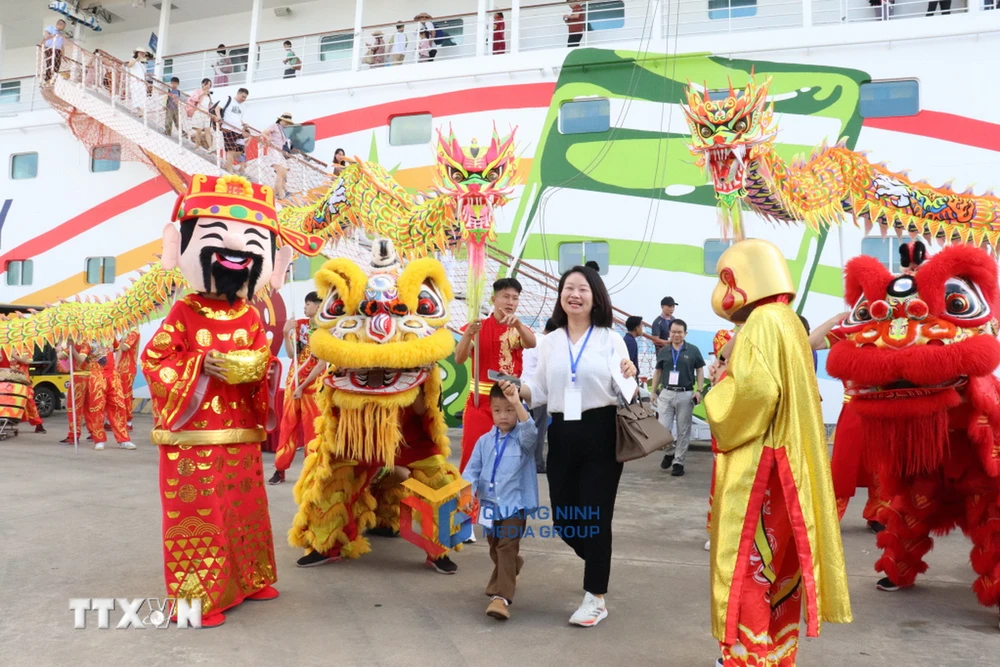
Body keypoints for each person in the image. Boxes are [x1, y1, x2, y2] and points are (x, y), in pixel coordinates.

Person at [140, 173, 317, 627]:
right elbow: (156, 360)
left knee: (243, 509)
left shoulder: (248, 313)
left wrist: (252, 367)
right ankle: (197, 599)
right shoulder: (184, 311)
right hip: (192, 438)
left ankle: (249, 578)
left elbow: (264, 356)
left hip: (238, 432)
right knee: (198, 516)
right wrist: (202, 364)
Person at [704, 239, 851, 666]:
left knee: (748, 572)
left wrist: (718, 396)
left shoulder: (761, 324)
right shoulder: (787, 320)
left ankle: (748, 658)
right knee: (780, 572)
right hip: (791, 466)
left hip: (761, 472)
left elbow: (756, 393)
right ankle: (776, 654)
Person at [511, 265, 641, 628]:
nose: (575, 295)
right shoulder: (549, 341)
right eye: (569, 288)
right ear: (561, 296)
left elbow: (626, 392)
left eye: (582, 289)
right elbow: (537, 390)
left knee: (597, 518)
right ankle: (599, 558)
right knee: (566, 520)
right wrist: (514, 389)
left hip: (601, 432)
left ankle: (595, 596)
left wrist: (630, 376)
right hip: (562, 434)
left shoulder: (609, 338)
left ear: (595, 296)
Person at [462, 381, 537, 620]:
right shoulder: (484, 441)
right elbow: (471, 471)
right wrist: (466, 494)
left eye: (509, 410)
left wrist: (517, 400)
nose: (503, 416)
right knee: (496, 549)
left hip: (515, 506)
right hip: (490, 507)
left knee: (505, 547)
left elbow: (531, 432)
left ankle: (500, 598)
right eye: (497, 410)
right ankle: (513, 565)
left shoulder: (523, 440)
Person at [455, 278, 537, 473]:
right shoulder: (477, 327)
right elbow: (459, 359)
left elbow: (531, 343)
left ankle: (506, 502)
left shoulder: (519, 329)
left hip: (510, 402)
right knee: (473, 456)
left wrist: (518, 325)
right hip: (480, 402)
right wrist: (468, 335)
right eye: (506, 297)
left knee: (508, 459)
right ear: (494, 299)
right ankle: (470, 502)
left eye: (515, 298)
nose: (510, 302)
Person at [269, 291, 326, 485]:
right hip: (293, 383)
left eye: (308, 303)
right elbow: (293, 353)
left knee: (312, 431)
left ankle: (313, 473)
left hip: (312, 387)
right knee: (287, 427)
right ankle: (280, 468)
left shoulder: (328, 330)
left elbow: (321, 364)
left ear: (319, 306)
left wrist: (302, 386)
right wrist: (286, 333)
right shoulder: (301, 326)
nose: (305, 307)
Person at [650, 319, 704, 476]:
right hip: (666, 393)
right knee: (662, 429)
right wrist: (653, 391)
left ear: (685, 333)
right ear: (669, 333)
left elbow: (700, 370)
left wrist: (699, 390)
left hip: (685, 394)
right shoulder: (664, 351)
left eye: (679, 332)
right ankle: (670, 452)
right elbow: (658, 372)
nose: (676, 335)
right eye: (673, 332)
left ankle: (678, 463)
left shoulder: (693, 350)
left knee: (683, 430)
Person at [521, 318, 557, 474]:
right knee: (539, 429)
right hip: (538, 391)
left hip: (523, 387)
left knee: (526, 428)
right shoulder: (546, 343)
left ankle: (525, 461)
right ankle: (537, 462)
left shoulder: (532, 338)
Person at [57, 340, 91, 444]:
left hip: (81, 376)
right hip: (78, 377)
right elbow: (60, 356)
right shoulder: (73, 344)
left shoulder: (84, 344)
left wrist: (72, 349)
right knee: (85, 407)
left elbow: (81, 359)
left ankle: (74, 435)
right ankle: (92, 433)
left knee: (74, 407)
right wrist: (60, 346)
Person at [8, 350, 46, 433]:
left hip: (23, 382)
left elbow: (26, 361)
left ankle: (38, 424)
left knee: (29, 402)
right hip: (8, 380)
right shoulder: (7, 348)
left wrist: (13, 355)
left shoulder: (25, 349)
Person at [261, 112, 295, 199]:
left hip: (280, 153)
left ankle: (275, 193)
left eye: (288, 122)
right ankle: (281, 194)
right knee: (280, 173)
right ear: (281, 120)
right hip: (274, 151)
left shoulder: (282, 129)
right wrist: (268, 138)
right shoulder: (275, 126)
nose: (287, 124)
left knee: (283, 173)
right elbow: (263, 133)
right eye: (286, 121)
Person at [216, 88, 249, 171]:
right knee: (231, 150)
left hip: (238, 130)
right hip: (228, 128)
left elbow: (238, 117)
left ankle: (227, 164)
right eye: (242, 96)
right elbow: (218, 108)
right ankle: (229, 170)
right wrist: (218, 116)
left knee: (240, 150)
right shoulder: (228, 99)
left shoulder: (243, 106)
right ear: (238, 94)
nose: (244, 99)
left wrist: (243, 123)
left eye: (245, 97)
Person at [116, 329, 141, 430]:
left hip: (127, 368)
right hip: (120, 368)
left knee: (126, 395)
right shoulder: (127, 332)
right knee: (118, 394)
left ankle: (128, 422)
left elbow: (124, 347)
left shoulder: (134, 332)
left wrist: (119, 340)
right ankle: (115, 420)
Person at [186, 78, 213, 151]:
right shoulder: (198, 91)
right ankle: (197, 146)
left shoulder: (208, 95)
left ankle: (210, 147)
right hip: (199, 112)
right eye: (207, 84)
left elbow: (209, 105)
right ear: (202, 84)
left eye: (209, 85)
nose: (208, 86)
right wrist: (202, 94)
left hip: (206, 114)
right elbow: (193, 99)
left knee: (208, 130)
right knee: (199, 131)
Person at [127, 48, 151, 115]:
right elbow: (129, 65)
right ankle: (139, 110)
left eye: (143, 54)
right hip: (135, 82)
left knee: (142, 96)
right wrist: (136, 59)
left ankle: (141, 110)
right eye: (141, 53)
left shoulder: (141, 64)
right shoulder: (133, 60)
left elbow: (142, 73)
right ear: (137, 53)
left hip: (141, 83)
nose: (142, 55)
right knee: (136, 96)